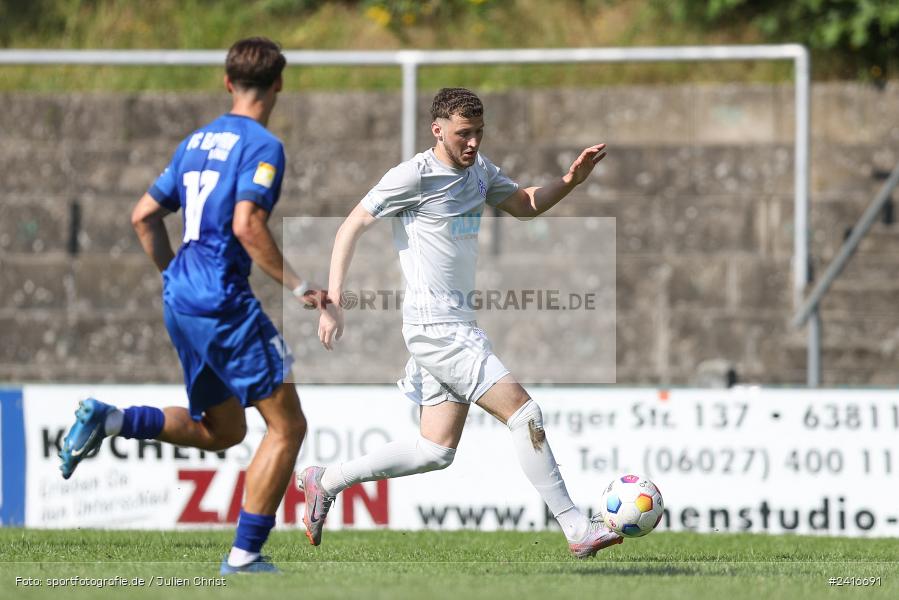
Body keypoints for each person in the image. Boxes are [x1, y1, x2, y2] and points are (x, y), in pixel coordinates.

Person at [298, 87, 618, 558]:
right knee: (524, 414)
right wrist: (334, 299)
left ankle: (324, 480)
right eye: (463, 134)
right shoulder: (414, 175)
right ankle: (576, 528)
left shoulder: (480, 172)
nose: (472, 143)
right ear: (438, 130)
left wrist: (570, 180)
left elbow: (526, 204)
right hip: (436, 329)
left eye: (478, 134)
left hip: (455, 325)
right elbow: (351, 226)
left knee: (435, 450)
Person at [58, 37, 321, 574]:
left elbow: (142, 216)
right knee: (288, 427)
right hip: (221, 299)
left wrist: (176, 277)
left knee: (222, 431)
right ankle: (245, 556)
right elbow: (248, 223)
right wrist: (299, 287)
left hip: (181, 296)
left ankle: (111, 420)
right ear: (278, 84)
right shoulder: (263, 146)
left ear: (227, 83)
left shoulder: (194, 142)